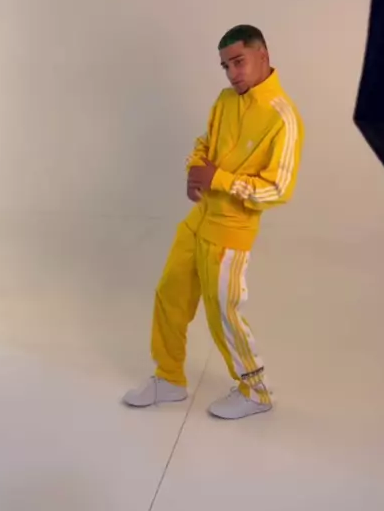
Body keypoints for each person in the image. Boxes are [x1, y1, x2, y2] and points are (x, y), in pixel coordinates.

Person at [123, 25, 304, 419]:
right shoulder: (225, 100)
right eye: (225, 66)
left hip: (230, 233)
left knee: (223, 313)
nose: (232, 73)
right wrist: (195, 170)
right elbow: (204, 144)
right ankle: (169, 377)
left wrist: (217, 179)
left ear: (263, 55)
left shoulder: (283, 117)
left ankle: (256, 391)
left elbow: (278, 189)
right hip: (198, 221)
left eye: (239, 62)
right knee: (169, 295)